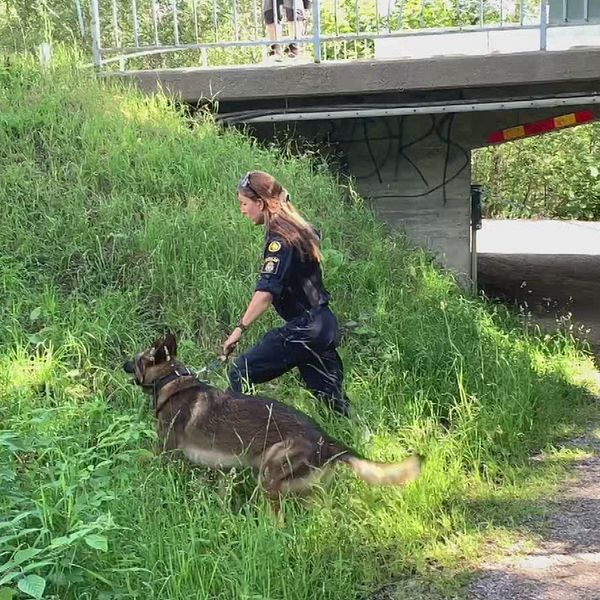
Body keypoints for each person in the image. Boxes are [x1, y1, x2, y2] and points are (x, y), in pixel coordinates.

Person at [222, 170, 351, 417]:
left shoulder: (280, 240)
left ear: (260, 203)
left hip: (306, 328)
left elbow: (266, 293)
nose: (242, 210)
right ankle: (356, 434)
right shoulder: (292, 227)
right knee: (333, 401)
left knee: (241, 371)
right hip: (322, 325)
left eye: (244, 204)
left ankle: (238, 431)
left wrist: (238, 330)